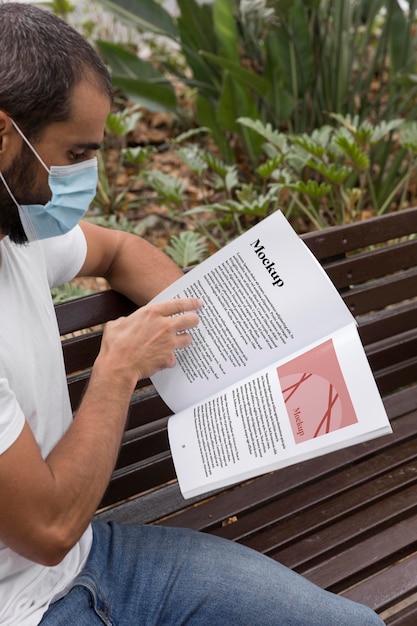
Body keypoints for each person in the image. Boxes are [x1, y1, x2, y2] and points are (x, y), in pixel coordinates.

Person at [0, 3, 385, 625]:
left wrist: (228, 343)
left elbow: (120, 249)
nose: (85, 175)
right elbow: (45, 529)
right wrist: (117, 368)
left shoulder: (16, 226)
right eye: (75, 152)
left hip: (95, 560)